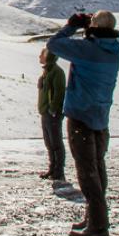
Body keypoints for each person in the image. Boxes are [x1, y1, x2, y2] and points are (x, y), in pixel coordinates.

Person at [46, 10, 119, 236]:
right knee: (98, 167)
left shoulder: (88, 50)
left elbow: (54, 44)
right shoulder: (114, 49)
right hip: (101, 116)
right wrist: (91, 30)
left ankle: (98, 226)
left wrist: (72, 26)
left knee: (86, 172)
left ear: (95, 27)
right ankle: (94, 218)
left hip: (81, 115)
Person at [37, 48, 67, 181]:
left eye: (42, 54)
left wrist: (53, 109)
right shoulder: (47, 72)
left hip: (52, 114)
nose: (39, 56)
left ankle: (59, 171)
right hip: (45, 113)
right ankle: (53, 168)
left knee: (56, 143)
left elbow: (59, 93)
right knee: (49, 143)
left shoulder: (57, 72)